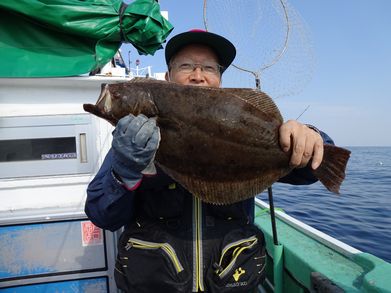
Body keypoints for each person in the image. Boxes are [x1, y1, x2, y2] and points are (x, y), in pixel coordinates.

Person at [85, 29, 334, 293]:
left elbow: (310, 173)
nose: (198, 75)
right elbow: (102, 215)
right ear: (168, 77)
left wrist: (314, 138)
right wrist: (124, 173)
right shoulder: (131, 142)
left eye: (209, 68)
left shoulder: (238, 126)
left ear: (219, 81)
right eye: (186, 66)